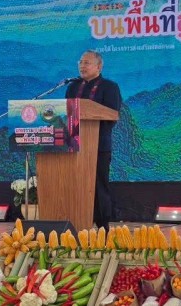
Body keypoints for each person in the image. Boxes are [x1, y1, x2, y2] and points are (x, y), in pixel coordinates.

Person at [65, 50, 121, 231]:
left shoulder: (110, 87)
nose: (82, 66)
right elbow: (66, 114)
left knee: (98, 186)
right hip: (74, 146)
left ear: (99, 66)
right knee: (74, 184)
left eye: (87, 62)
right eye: (80, 62)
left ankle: (102, 225)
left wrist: (92, 133)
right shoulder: (72, 87)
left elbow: (112, 116)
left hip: (98, 146)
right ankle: (74, 222)